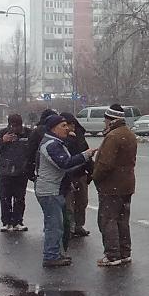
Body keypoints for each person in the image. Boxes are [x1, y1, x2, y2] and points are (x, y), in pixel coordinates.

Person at [33, 114, 95, 268]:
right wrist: (84, 156)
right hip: (49, 190)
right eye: (63, 126)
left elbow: (64, 168)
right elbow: (64, 163)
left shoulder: (58, 143)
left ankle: (56, 253)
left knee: (58, 224)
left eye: (67, 125)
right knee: (54, 225)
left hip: (56, 189)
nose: (67, 128)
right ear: (54, 128)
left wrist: (69, 183)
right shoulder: (51, 145)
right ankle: (51, 256)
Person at [90, 104, 137, 267]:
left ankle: (112, 255)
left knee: (108, 220)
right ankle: (125, 253)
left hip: (112, 186)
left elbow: (105, 164)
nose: (104, 122)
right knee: (123, 220)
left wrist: (95, 176)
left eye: (105, 119)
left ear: (110, 120)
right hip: (127, 184)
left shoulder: (112, 137)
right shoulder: (129, 134)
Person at [0, 113, 32, 232]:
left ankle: (18, 221)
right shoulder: (3, 133)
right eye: (12, 126)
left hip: (21, 171)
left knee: (20, 198)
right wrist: (2, 140)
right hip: (5, 171)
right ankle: (6, 222)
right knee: (5, 197)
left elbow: (36, 144)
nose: (15, 129)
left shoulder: (28, 134)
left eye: (17, 126)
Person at [61, 114, 93, 239]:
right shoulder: (61, 138)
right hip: (68, 175)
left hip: (80, 174)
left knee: (82, 202)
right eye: (69, 124)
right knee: (69, 204)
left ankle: (79, 225)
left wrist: (91, 171)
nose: (72, 127)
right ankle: (69, 227)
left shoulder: (80, 137)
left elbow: (86, 154)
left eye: (73, 124)